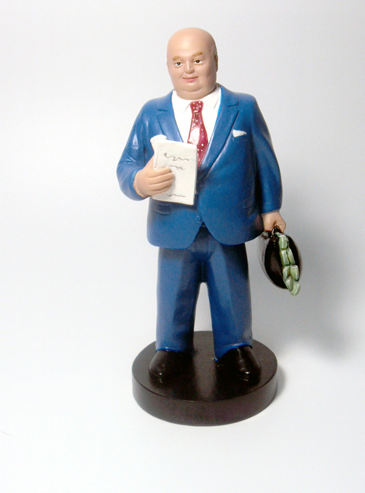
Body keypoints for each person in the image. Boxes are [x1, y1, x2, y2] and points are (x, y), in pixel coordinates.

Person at [117, 28, 285, 383]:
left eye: (197, 60)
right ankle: (171, 346)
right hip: (174, 224)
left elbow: (265, 161)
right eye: (178, 62)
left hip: (229, 222)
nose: (188, 70)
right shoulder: (151, 112)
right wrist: (139, 182)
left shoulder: (244, 108)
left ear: (216, 61)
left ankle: (235, 345)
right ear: (167, 66)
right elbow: (126, 164)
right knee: (173, 290)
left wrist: (271, 208)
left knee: (231, 288)